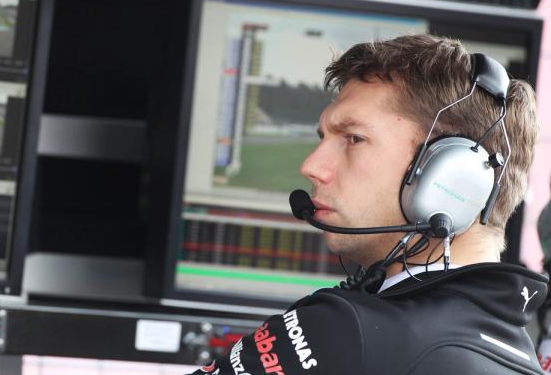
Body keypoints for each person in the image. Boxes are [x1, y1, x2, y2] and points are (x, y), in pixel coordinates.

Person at [188, 34, 547, 374]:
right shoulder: (521, 354)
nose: (311, 167)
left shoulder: (345, 332)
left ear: (450, 174)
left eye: (354, 139)